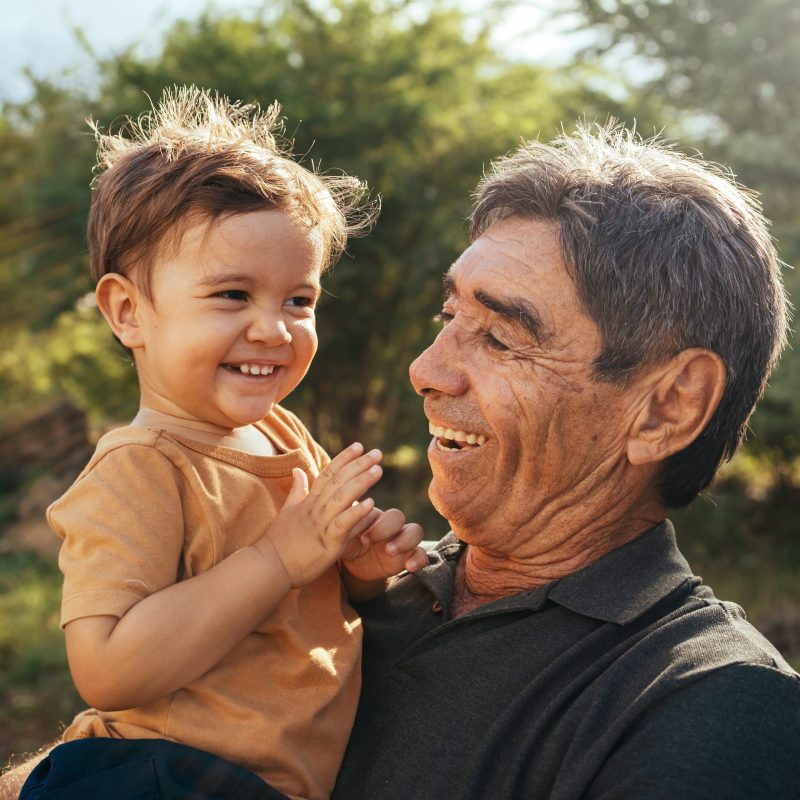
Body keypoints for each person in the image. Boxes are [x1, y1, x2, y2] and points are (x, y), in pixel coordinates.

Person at [331, 122, 800, 799]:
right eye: (448, 317)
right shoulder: (352, 588)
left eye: (498, 337)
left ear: (667, 407)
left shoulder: (713, 707)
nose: (426, 370)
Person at [14, 86, 426, 800]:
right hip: (157, 778)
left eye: (299, 300)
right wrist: (276, 557)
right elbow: (107, 669)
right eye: (232, 296)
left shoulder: (283, 435)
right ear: (128, 311)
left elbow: (308, 596)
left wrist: (361, 569)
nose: (274, 328)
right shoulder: (140, 467)